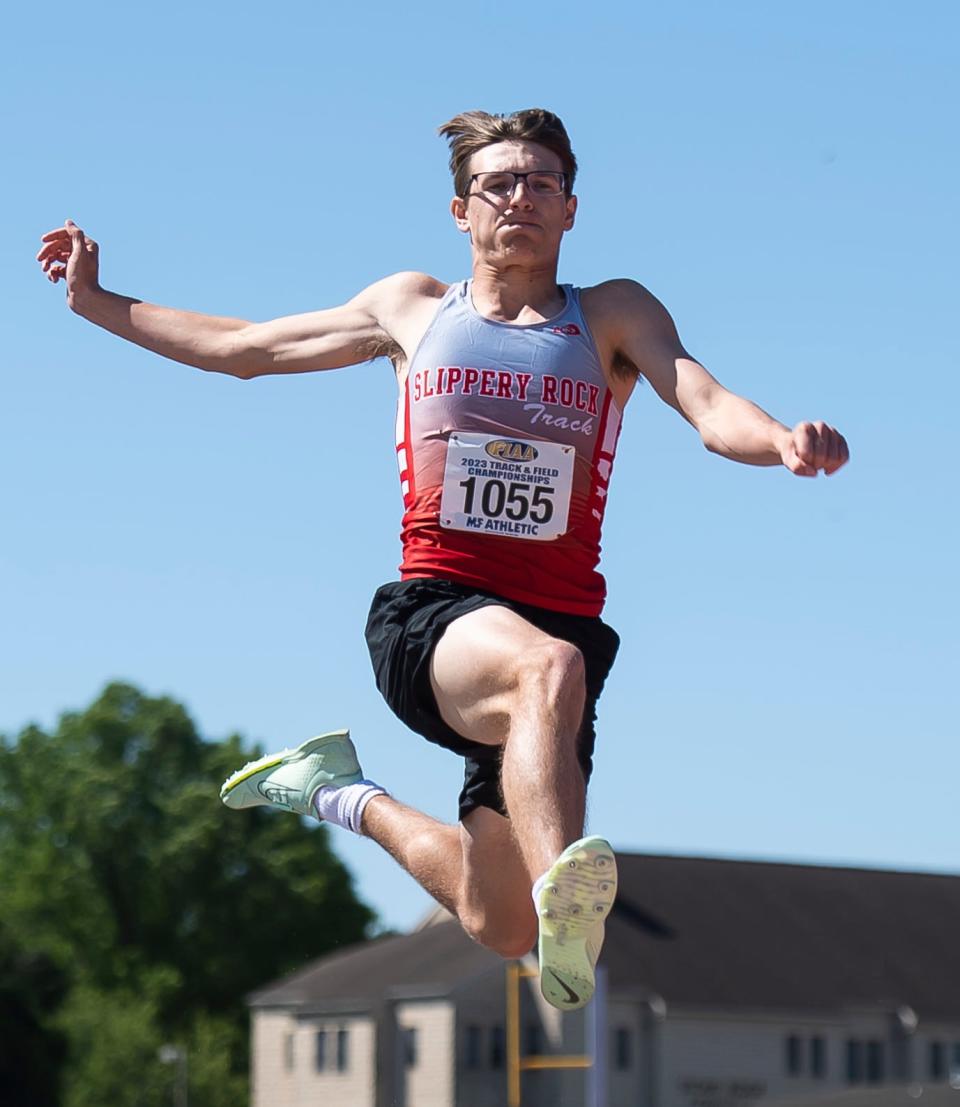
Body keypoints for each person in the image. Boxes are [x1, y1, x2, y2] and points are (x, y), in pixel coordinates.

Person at [37, 108, 848, 1012]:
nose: (521, 197)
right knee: (548, 669)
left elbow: (704, 400)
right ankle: (567, 910)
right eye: (500, 182)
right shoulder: (412, 310)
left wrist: (779, 440)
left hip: (552, 641)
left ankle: (338, 793)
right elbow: (245, 350)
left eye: (542, 182)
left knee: (496, 921)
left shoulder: (613, 315)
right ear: (462, 210)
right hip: (435, 614)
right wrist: (98, 302)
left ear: (572, 209)